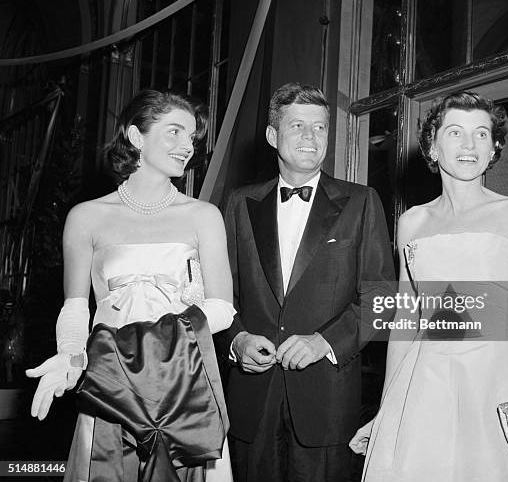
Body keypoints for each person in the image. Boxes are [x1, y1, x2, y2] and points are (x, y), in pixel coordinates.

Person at [350, 90, 508, 481]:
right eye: (455, 132)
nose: (469, 144)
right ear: (432, 145)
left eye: (481, 134)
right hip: (426, 384)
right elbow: (405, 324)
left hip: (502, 378)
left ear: (494, 147)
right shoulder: (411, 223)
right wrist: (385, 410)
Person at [26, 89, 235, 482]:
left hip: (183, 384)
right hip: (111, 386)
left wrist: (148, 348)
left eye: (191, 137)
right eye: (174, 132)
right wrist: (72, 358)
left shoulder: (203, 216)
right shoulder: (86, 217)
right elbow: (75, 308)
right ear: (137, 137)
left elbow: (222, 308)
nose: (187, 146)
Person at [217, 82, 395, 482]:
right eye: (297, 125)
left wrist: (325, 342)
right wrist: (237, 340)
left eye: (319, 128)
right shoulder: (238, 203)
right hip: (251, 398)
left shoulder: (362, 201)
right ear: (271, 135)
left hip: (327, 403)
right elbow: (218, 296)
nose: (310, 137)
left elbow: (382, 297)